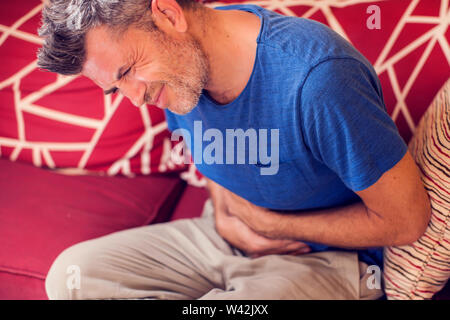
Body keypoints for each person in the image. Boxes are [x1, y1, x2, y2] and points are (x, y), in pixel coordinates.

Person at [38, 0, 431, 300]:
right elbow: (210, 154)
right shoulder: (178, 75)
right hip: (224, 231)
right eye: (115, 88)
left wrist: (271, 225)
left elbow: (407, 220)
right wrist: (226, 212)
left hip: (327, 259)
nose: (135, 99)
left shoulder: (319, 80)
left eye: (126, 72)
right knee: (72, 277)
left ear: (170, 15)